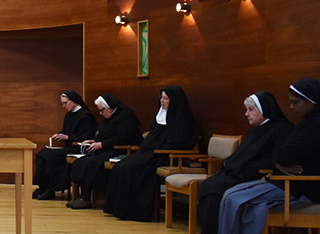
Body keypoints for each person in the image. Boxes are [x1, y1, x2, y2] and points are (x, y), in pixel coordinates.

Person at [217, 78, 320, 234]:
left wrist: (279, 159)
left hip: (299, 189)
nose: (291, 107)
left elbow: (282, 154)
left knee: (236, 199)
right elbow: (280, 153)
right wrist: (279, 160)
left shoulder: (318, 126)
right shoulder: (308, 124)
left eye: (295, 102)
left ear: (311, 102)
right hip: (285, 184)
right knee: (231, 194)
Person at [185, 91, 291, 234]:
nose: (246, 114)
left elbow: (274, 160)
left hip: (255, 177)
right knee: (208, 186)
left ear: (263, 110)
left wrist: (243, 167)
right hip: (238, 174)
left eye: (250, 110)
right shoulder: (255, 130)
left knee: (213, 191)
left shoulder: (281, 130)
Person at [103, 85, 198, 222]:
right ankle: (118, 209)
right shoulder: (160, 115)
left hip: (167, 156)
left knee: (133, 170)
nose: (162, 101)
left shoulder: (182, 119)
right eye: (161, 98)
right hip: (151, 152)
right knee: (120, 167)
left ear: (174, 100)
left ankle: (135, 211)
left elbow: (181, 142)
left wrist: (154, 150)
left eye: (166, 99)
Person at [67, 94, 142, 210]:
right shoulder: (108, 117)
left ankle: (85, 198)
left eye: (102, 110)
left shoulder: (125, 117)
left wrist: (101, 144)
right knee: (81, 161)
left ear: (110, 107)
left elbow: (123, 138)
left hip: (118, 150)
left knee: (89, 163)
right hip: (106, 149)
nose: (101, 113)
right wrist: (94, 141)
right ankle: (83, 197)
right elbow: (104, 135)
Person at [32, 90, 97, 200]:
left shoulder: (86, 116)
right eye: (62, 103)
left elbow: (85, 138)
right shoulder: (69, 115)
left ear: (74, 101)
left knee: (51, 156)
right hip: (68, 146)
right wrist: (60, 135)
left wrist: (67, 137)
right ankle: (43, 186)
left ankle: (51, 189)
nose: (64, 106)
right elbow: (66, 132)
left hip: (78, 148)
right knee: (42, 154)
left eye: (65, 103)